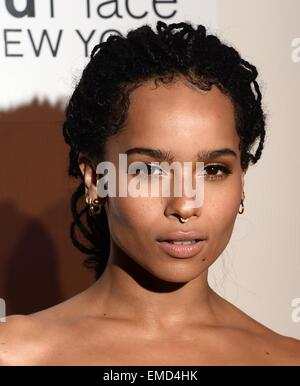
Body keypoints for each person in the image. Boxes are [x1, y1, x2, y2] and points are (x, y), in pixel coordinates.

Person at [1, 20, 300, 366]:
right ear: (97, 179)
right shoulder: (15, 354)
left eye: (214, 170)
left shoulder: (286, 358)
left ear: (241, 180)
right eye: (149, 170)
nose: (186, 205)